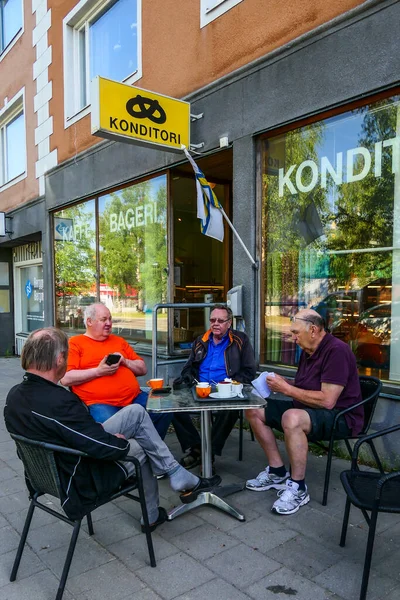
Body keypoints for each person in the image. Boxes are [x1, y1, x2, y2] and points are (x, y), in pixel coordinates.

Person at [4, 328, 221, 530]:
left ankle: (173, 472)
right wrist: (117, 442)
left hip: (55, 467)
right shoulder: (59, 401)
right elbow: (97, 446)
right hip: (81, 477)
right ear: (60, 359)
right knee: (142, 446)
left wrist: (96, 430)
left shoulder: (15, 396)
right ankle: (152, 514)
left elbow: (69, 431)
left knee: (136, 412)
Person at [245, 309, 363, 515]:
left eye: (296, 332)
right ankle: (277, 472)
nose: (293, 338)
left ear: (314, 330)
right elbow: (305, 386)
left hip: (341, 416)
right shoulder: (309, 350)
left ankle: (298, 488)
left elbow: (327, 400)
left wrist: (287, 389)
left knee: (292, 418)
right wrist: (284, 382)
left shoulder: (337, 351)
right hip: (308, 408)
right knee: (254, 408)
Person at [60, 303, 171, 438]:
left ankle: (148, 451)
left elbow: (143, 369)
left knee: (164, 409)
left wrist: (125, 361)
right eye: (103, 319)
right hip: (102, 404)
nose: (108, 323)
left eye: (110, 319)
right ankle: (133, 454)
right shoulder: (75, 343)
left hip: (134, 397)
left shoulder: (119, 341)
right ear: (89, 321)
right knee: (112, 434)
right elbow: (66, 378)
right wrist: (98, 371)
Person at [172, 304, 256, 469]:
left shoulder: (240, 340)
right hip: (200, 387)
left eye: (220, 320)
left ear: (229, 323)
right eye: (212, 320)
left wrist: (229, 383)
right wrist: (188, 375)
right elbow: (188, 367)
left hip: (226, 389)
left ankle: (207, 453)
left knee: (229, 409)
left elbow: (249, 371)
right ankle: (197, 447)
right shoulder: (201, 340)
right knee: (172, 406)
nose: (215, 323)